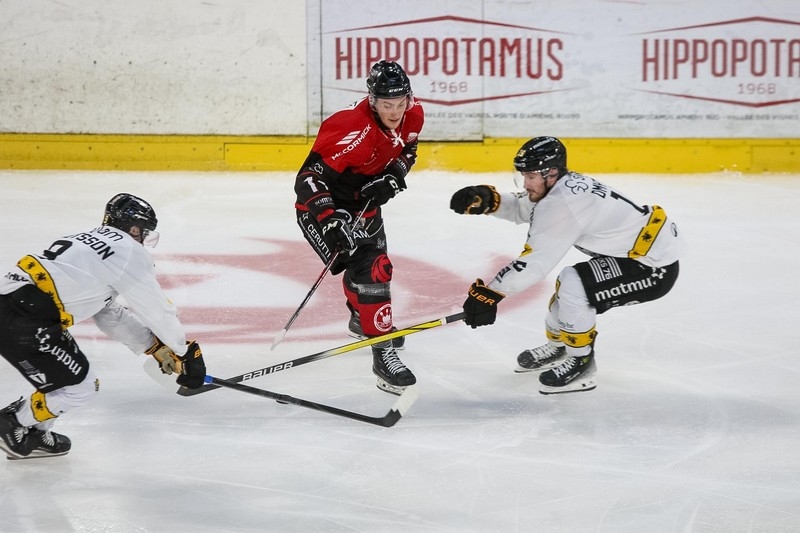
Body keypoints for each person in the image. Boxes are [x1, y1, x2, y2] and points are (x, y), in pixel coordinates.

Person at [450, 136, 684, 394]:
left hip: (652, 268)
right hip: (638, 254)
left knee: (575, 285)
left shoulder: (564, 204)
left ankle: (582, 361)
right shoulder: (562, 186)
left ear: (551, 173)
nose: (526, 183)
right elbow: (524, 206)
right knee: (570, 288)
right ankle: (561, 346)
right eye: (523, 176)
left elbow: (534, 264)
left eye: (530, 176)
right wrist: (490, 202)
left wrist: (489, 294)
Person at [0, 193, 207, 459]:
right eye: (144, 232)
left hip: (19, 307)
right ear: (134, 228)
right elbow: (157, 309)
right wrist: (183, 350)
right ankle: (14, 422)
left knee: (66, 381)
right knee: (80, 389)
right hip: (27, 316)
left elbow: (108, 313)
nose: (144, 238)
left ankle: (35, 431)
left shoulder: (87, 243)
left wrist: (154, 346)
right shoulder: (130, 251)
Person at [294, 60, 424, 396]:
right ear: (371, 100)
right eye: (386, 105)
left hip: (364, 206)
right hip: (323, 209)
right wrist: (328, 217)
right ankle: (383, 355)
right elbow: (307, 179)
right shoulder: (350, 127)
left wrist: (394, 175)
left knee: (376, 271)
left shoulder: (414, 113)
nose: (395, 112)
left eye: (400, 104)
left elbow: (409, 148)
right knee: (369, 269)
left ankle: (361, 319)